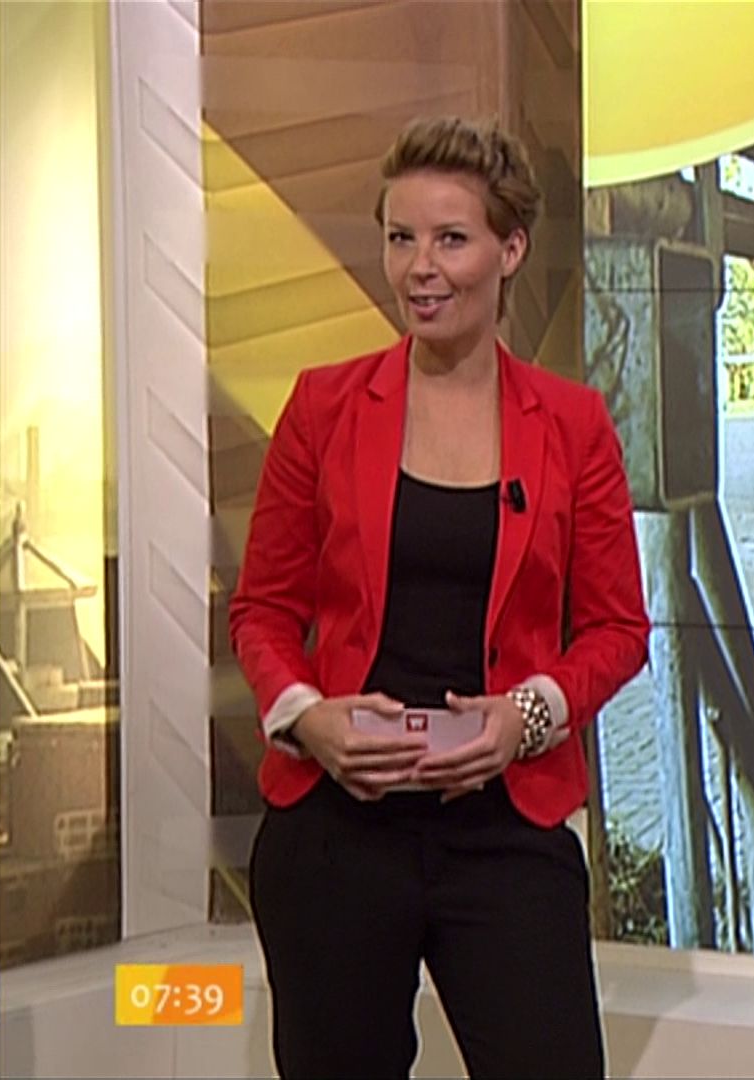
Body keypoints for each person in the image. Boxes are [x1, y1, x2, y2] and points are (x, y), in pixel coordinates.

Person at [229, 114, 652, 1078]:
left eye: (451, 239)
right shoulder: (324, 406)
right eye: (400, 238)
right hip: (337, 831)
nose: (420, 267)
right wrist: (308, 718)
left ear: (511, 250)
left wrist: (525, 718)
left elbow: (618, 628)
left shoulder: (574, 425)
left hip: (505, 828)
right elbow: (262, 610)